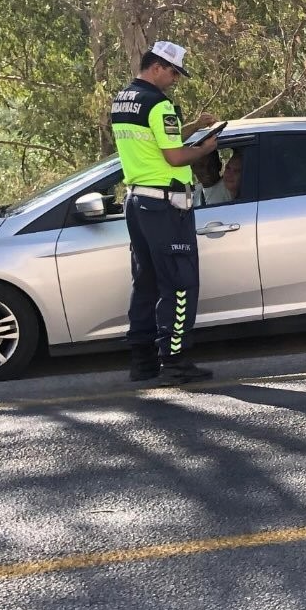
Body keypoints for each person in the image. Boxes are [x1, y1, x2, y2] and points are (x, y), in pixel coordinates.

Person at [109, 41, 220, 384]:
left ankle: (142, 361)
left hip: (137, 202)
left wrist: (192, 128)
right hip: (167, 203)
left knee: (146, 281)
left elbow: (155, 142)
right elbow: (174, 157)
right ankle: (175, 360)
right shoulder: (160, 105)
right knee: (181, 283)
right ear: (156, 66)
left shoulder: (123, 100)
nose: (174, 80)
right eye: (173, 72)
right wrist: (204, 148)